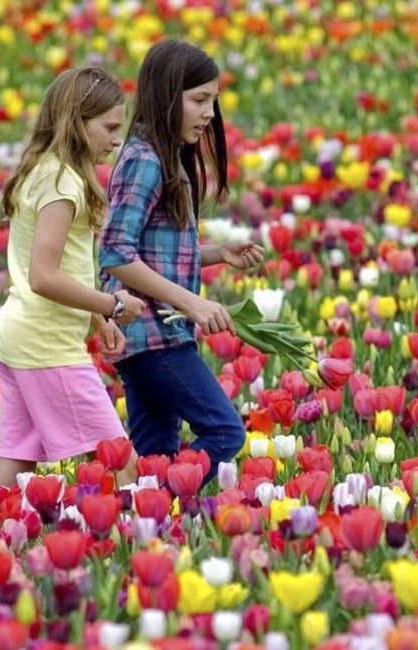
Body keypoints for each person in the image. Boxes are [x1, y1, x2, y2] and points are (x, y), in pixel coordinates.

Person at [99, 40, 264, 485]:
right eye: (199, 100)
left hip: (151, 337)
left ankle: (147, 526)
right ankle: (169, 497)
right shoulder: (145, 160)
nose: (210, 112)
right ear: (167, 95)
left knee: (153, 455)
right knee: (225, 431)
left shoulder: (165, 157)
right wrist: (192, 304)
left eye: (213, 100)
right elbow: (115, 253)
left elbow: (149, 251)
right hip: (155, 335)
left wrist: (216, 255)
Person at [0, 67, 145, 489]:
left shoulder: (44, 170)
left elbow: (60, 269)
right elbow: (43, 276)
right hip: (45, 343)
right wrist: (110, 304)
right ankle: (140, 547)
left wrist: (98, 320)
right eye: (109, 127)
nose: (117, 139)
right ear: (76, 121)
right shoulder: (63, 183)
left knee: (15, 465)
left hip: (20, 335)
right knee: (122, 464)